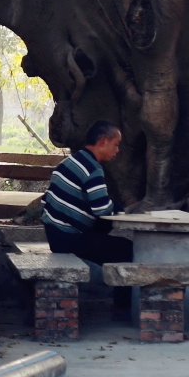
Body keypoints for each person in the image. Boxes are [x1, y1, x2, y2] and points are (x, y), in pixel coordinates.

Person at [43, 119, 133, 319]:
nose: (117, 150)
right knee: (128, 250)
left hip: (55, 233)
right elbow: (102, 209)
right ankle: (123, 308)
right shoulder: (92, 169)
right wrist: (120, 209)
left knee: (108, 232)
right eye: (115, 145)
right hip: (69, 238)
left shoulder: (70, 162)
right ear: (102, 143)